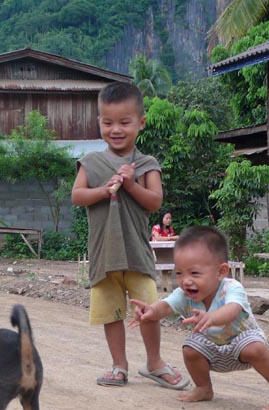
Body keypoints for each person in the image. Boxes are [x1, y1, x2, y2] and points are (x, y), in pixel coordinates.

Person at [71, 81, 188, 390]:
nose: (116, 129)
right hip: (104, 253)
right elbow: (77, 196)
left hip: (136, 252)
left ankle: (154, 363)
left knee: (148, 310)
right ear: (99, 123)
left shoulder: (147, 164)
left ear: (141, 123)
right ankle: (118, 366)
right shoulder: (91, 162)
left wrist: (131, 184)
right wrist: (104, 189)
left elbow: (155, 202)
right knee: (111, 313)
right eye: (108, 122)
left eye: (125, 122)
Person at [130, 225, 269, 410]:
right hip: (213, 350)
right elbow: (165, 306)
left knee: (255, 347)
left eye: (194, 273)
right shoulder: (184, 294)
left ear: (221, 271)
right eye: (179, 273)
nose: (185, 280)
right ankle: (204, 388)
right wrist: (150, 311)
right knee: (190, 348)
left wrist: (212, 317)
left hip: (243, 345)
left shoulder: (231, 287)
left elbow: (232, 310)